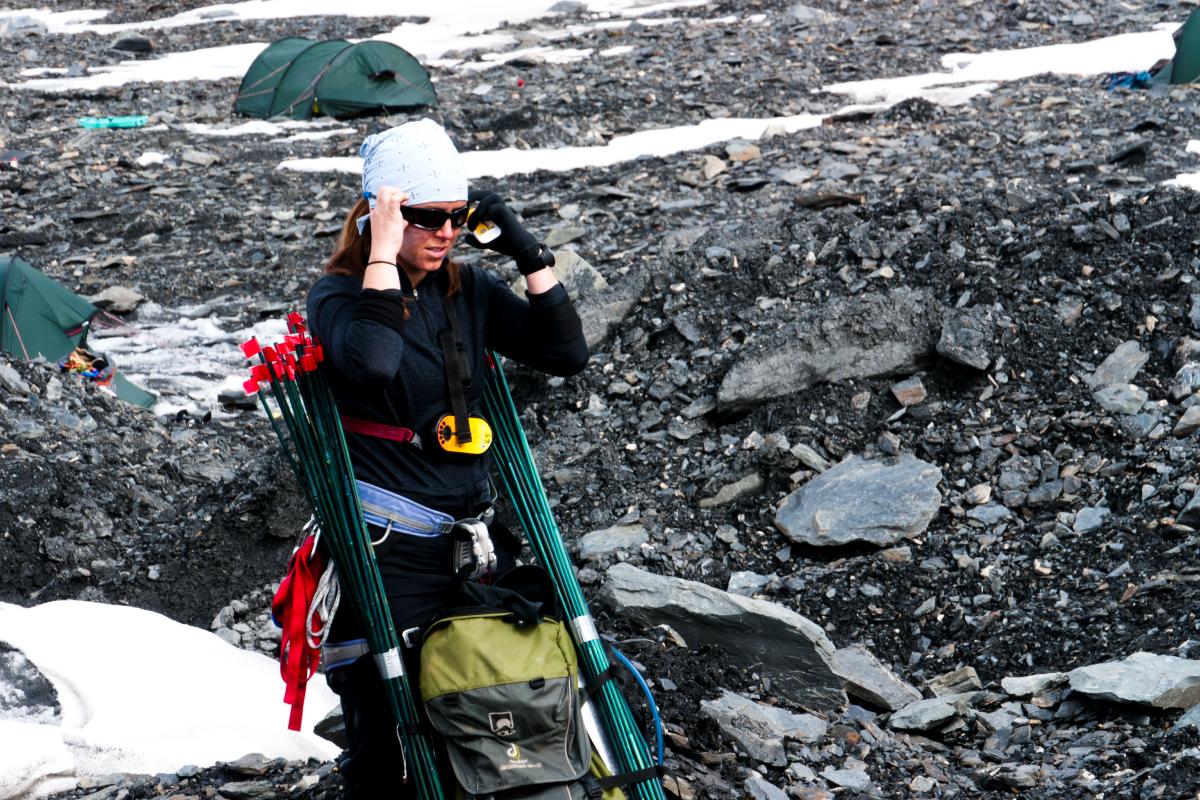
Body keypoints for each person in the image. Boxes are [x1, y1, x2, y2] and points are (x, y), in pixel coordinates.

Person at [305, 118, 589, 798]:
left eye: (457, 217)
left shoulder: (465, 290)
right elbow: (373, 363)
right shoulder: (337, 297)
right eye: (425, 217)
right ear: (383, 213)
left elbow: (565, 354)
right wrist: (379, 253)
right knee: (391, 726)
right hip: (388, 547)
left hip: (473, 541)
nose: (445, 232)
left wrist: (526, 250)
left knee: (497, 700)